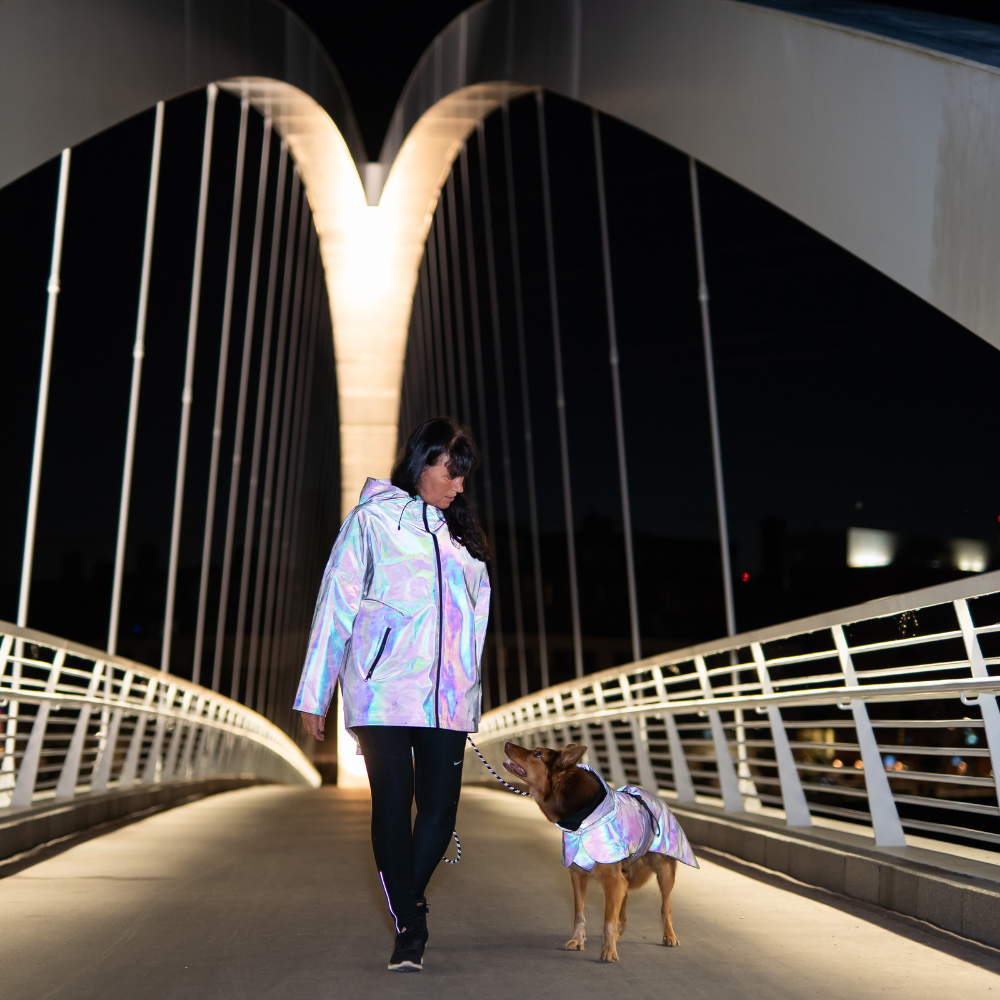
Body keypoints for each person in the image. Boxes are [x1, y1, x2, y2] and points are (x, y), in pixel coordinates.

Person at [295, 416, 491, 972]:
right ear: (421, 463)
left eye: (463, 478)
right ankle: (409, 926)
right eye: (450, 474)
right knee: (391, 804)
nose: (458, 487)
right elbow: (336, 602)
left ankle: (408, 895)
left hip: (446, 699)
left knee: (439, 811)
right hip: (381, 691)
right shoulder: (372, 520)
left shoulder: (461, 538)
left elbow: (472, 626)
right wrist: (317, 691)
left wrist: (468, 689)